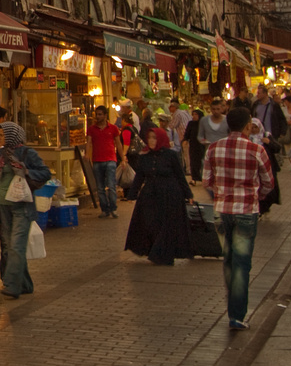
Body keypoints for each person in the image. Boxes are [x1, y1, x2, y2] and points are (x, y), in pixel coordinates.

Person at [202, 106, 273, 330]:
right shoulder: (256, 149)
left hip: (222, 211)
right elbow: (268, 182)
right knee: (242, 264)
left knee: (229, 260)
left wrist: (220, 194)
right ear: (247, 126)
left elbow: (206, 181)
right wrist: (256, 196)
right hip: (245, 211)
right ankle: (237, 315)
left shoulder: (213, 149)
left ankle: (234, 307)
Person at [0, 121, 51, 299]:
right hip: (2, 206)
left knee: (16, 245)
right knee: (9, 246)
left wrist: (27, 172)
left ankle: (12, 284)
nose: (0, 137)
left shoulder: (27, 153)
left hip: (22, 205)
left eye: (3, 134)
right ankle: (26, 284)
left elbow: (45, 173)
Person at [123, 129, 193, 265]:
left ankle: (162, 254)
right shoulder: (144, 156)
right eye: (149, 138)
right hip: (150, 194)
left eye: (155, 138)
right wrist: (132, 194)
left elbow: (180, 176)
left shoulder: (170, 156)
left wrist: (188, 194)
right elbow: (139, 177)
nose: (152, 141)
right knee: (150, 222)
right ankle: (152, 249)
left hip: (169, 194)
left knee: (166, 224)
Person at [86, 106, 124, 219]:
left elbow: (118, 143)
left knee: (111, 186)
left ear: (105, 115)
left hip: (110, 160)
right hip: (97, 160)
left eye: (100, 114)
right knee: (100, 187)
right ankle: (104, 209)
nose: (98, 117)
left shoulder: (113, 128)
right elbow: (88, 142)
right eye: (96, 114)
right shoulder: (92, 129)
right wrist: (87, 154)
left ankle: (113, 208)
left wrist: (122, 158)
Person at [185, 108, 205, 182]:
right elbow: (187, 133)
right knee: (193, 161)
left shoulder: (203, 124)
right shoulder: (191, 123)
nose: (194, 116)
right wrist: (185, 140)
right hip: (193, 145)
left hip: (202, 145)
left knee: (201, 161)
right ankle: (195, 177)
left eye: (196, 114)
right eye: (193, 114)